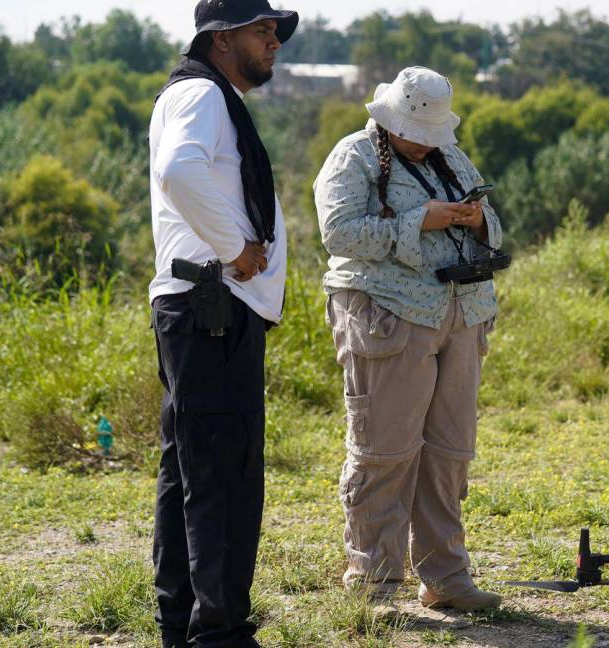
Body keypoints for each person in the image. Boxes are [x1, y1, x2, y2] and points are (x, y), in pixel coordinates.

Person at [314, 66, 504, 616]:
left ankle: (445, 576)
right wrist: (420, 221)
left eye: (432, 136)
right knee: (386, 449)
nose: (424, 144)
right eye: (416, 134)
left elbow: (495, 224)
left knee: (449, 453)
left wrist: (473, 220)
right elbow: (339, 233)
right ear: (389, 119)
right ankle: (372, 582)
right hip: (387, 316)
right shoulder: (352, 156)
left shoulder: (451, 156)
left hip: (461, 315)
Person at [148, 1, 296, 646]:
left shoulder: (200, 94)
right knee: (223, 478)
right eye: (262, 31)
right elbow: (178, 171)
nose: (274, 43)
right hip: (210, 307)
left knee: (192, 470)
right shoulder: (203, 96)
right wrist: (238, 249)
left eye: (274, 33)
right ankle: (220, 634)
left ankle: (184, 626)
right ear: (220, 37)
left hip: (202, 309)